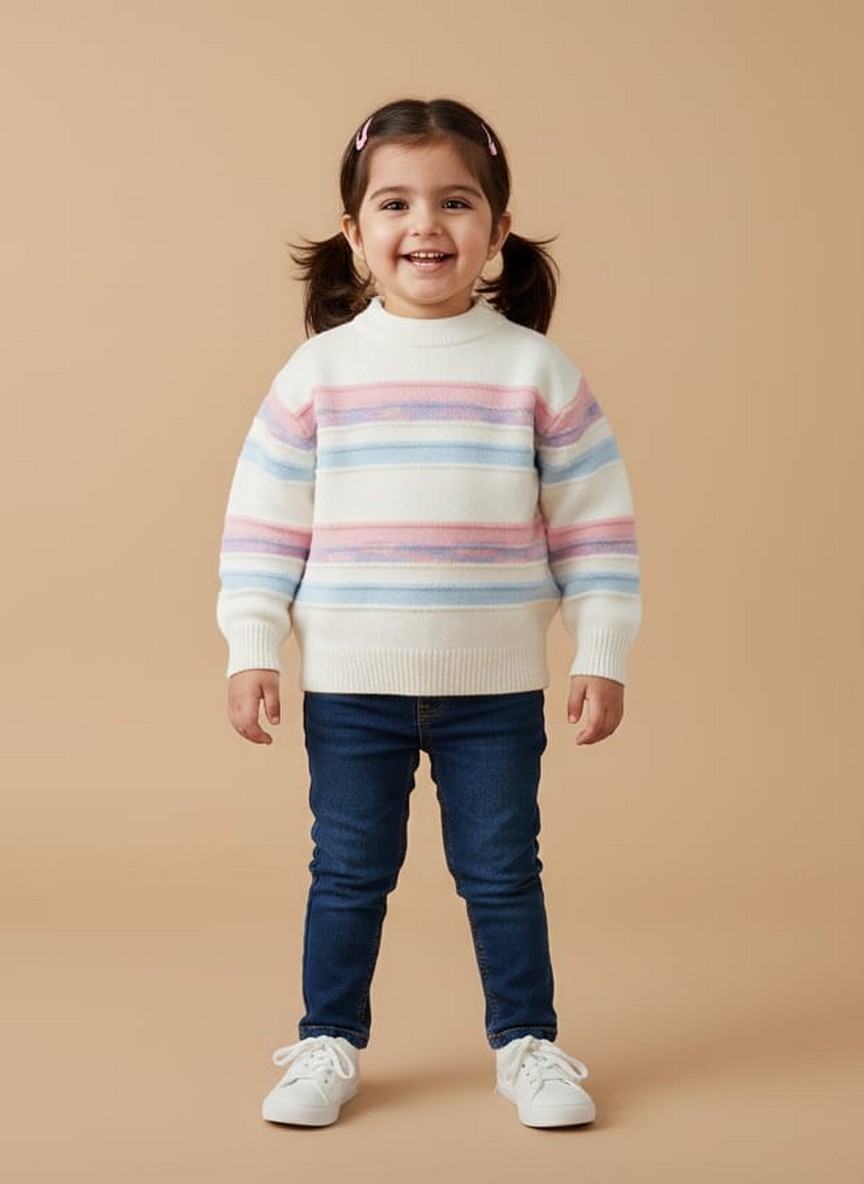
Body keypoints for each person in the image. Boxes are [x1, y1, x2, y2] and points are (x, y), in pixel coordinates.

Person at [217, 97, 641, 1129]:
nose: (427, 225)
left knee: (501, 870)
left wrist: (603, 648)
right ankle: (327, 1038)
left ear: (497, 231)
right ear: (355, 234)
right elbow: (265, 520)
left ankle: (527, 1042)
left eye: (456, 202)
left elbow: (597, 524)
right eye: (395, 203)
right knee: (349, 869)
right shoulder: (319, 372)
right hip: (351, 683)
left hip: (494, 685)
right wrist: (251, 643)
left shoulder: (537, 371)